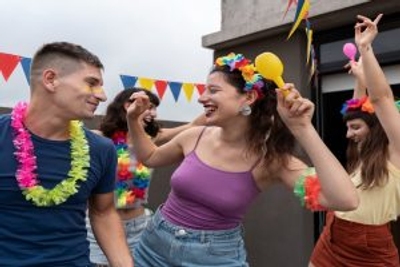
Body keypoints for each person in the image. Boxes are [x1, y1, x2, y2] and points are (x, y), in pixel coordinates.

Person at [127, 52, 359, 266]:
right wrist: (134, 120)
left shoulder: (271, 161)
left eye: (213, 90)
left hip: (214, 258)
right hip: (152, 246)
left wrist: (303, 128)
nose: (202, 98)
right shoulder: (194, 136)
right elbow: (150, 156)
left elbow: (344, 200)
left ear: (248, 97)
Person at [0, 42, 133, 267]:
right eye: (92, 83)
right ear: (51, 79)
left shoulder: (102, 149)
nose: (102, 96)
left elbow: (103, 213)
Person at [310, 14, 400, 267]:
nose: (348, 134)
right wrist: (360, 80)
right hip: (332, 234)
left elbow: (381, 98)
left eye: (356, 128)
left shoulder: (396, 152)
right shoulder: (366, 153)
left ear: (376, 127)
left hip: (369, 246)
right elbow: (358, 109)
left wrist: (366, 48)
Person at [87, 87, 205, 266]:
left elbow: (192, 126)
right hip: (103, 226)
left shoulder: (150, 139)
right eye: (149, 107)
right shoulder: (101, 139)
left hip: (140, 226)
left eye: (154, 108)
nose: (153, 113)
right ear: (128, 105)